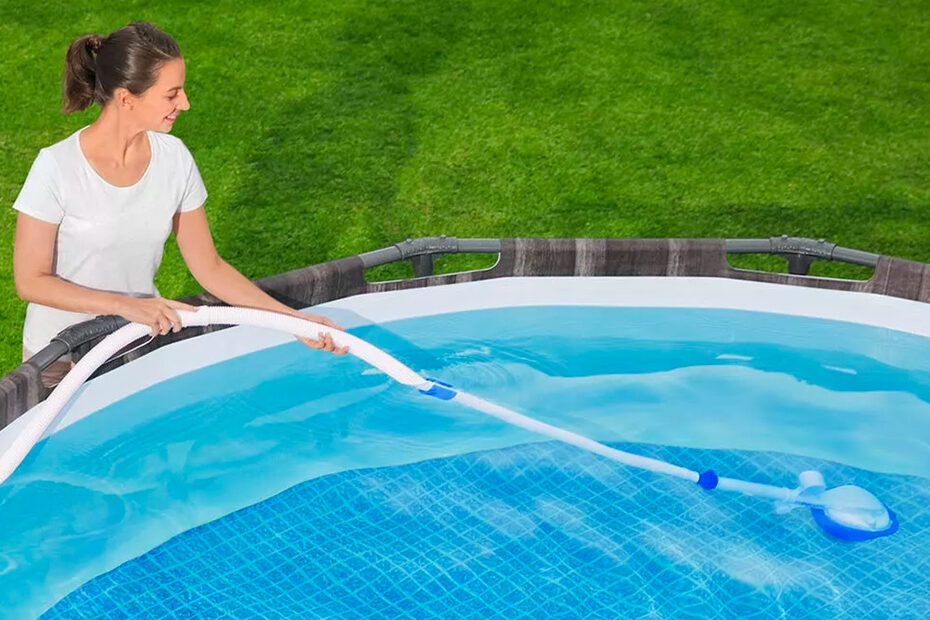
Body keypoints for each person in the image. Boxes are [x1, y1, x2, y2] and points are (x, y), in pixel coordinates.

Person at [12, 21, 347, 388]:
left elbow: (210, 268)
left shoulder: (174, 159)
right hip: (61, 355)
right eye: (171, 94)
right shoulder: (57, 167)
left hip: (133, 343)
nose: (185, 104)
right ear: (127, 99)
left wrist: (292, 321)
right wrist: (126, 305)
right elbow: (31, 281)